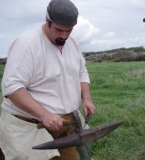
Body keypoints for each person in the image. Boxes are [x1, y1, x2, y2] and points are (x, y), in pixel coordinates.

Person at [0, 0, 96, 159]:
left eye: (69, 30)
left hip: (64, 124)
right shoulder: (27, 44)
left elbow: (81, 71)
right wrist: (44, 114)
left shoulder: (72, 43)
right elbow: (11, 87)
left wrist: (87, 98)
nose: (64, 36)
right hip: (30, 125)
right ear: (47, 21)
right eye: (59, 30)